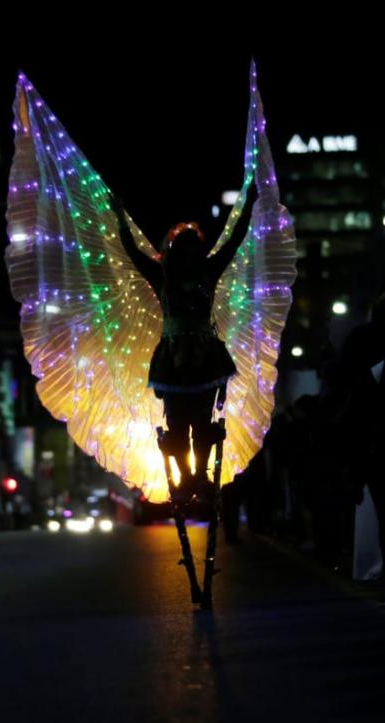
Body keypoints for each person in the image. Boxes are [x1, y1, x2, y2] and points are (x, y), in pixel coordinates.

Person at [112, 184, 255, 497]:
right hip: (175, 358)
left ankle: (198, 476)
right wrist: (120, 217)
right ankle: (187, 477)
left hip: (204, 357)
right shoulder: (162, 276)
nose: (191, 254)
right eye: (184, 248)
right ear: (175, 252)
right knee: (177, 425)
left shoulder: (210, 271)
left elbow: (234, 241)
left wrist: (249, 204)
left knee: (202, 423)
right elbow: (132, 252)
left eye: (195, 248)